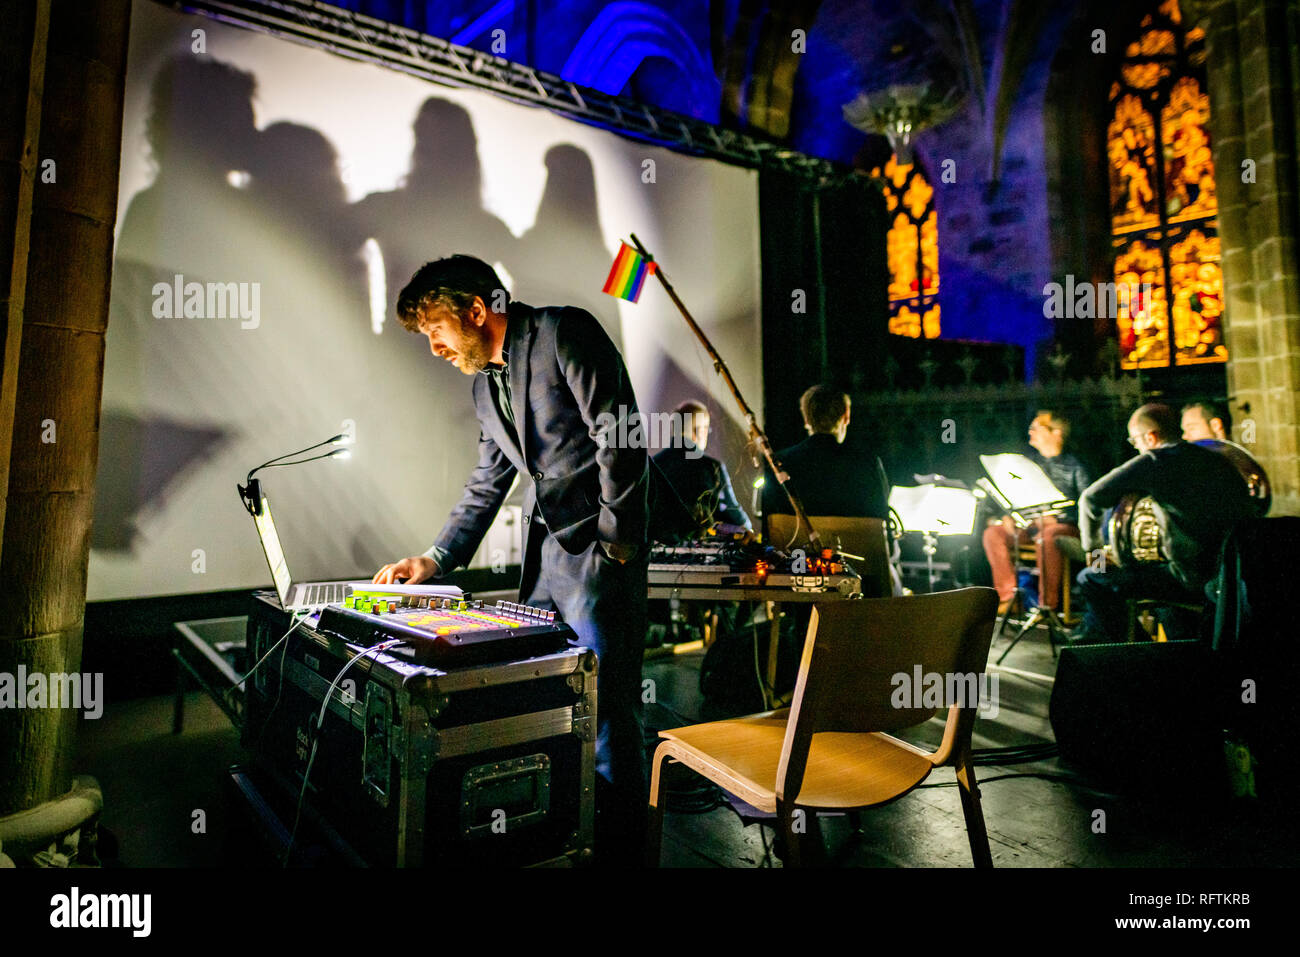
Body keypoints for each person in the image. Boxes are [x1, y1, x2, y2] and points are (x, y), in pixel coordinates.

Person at [371, 255, 649, 860]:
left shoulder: (563, 331)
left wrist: (618, 541)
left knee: (605, 714)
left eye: (436, 331)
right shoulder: (482, 385)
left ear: (476, 310)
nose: (435, 348)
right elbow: (487, 481)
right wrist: (436, 558)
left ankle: (623, 848)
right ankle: (570, 836)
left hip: (601, 555)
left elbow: (620, 434)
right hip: (546, 561)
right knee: (552, 702)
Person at [1073, 403, 1254, 644]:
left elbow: (1091, 497)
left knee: (1091, 577)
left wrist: (1095, 552)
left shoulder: (1156, 461)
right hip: (1232, 574)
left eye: (1135, 441)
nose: (1136, 447)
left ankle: (1142, 649)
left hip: (1188, 578)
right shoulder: (1218, 459)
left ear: (1151, 436)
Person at [982, 411, 1091, 615]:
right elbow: (1013, 494)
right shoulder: (1028, 464)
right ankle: (1009, 598)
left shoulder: (1076, 465)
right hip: (1030, 524)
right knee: (993, 534)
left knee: (1047, 537)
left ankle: (1046, 606)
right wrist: (1007, 515)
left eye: (1036, 428)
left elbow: (1089, 505)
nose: (1030, 432)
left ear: (1056, 432)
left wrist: (1058, 518)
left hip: (1063, 528)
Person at [761, 385, 889, 524]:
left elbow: (771, 527)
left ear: (806, 419)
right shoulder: (867, 464)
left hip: (796, 546)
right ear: (846, 415)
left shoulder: (778, 464)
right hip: (853, 546)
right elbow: (880, 523)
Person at [649, 399, 751, 543]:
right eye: (706, 429)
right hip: (705, 554)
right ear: (699, 432)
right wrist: (749, 531)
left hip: (657, 554)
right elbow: (734, 514)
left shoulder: (653, 465)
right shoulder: (712, 467)